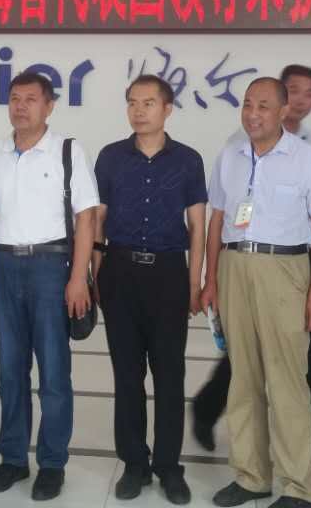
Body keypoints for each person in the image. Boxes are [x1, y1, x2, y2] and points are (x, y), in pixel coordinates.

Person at [193, 64, 311, 458]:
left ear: (282, 111)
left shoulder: (308, 156)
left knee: (288, 382)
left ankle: (297, 481)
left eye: (263, 106)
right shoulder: (230, 154)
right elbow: (217, 220)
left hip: (285, 268)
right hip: (235, 265)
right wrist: (211, 279)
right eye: (247, 105)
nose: (252, 113)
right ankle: (250, 475)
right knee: (242, 379)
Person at [0, 71, 100, 501]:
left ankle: (52, 463)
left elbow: (87, 217)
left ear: (49, 106)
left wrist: (78, 277)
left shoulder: (67, 150)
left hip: (52, 266)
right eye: (15, 98)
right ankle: (13, 458)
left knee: (53, 371)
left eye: (31, 99)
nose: (21, 106)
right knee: (10, 370)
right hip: (5, 265)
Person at [92, 75, 206, 505]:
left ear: (167, 109)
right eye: (132, 103)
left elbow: (197, 226)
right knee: (127, 375)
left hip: (168, 275)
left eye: (148, 103)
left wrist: (194, 282)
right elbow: (98, 219)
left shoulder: (188, 160)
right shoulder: (111, 157)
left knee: (170, 375)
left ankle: (169, 467)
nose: (139, 111)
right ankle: (134, 464)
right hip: (119, 272)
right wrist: (97, 272)